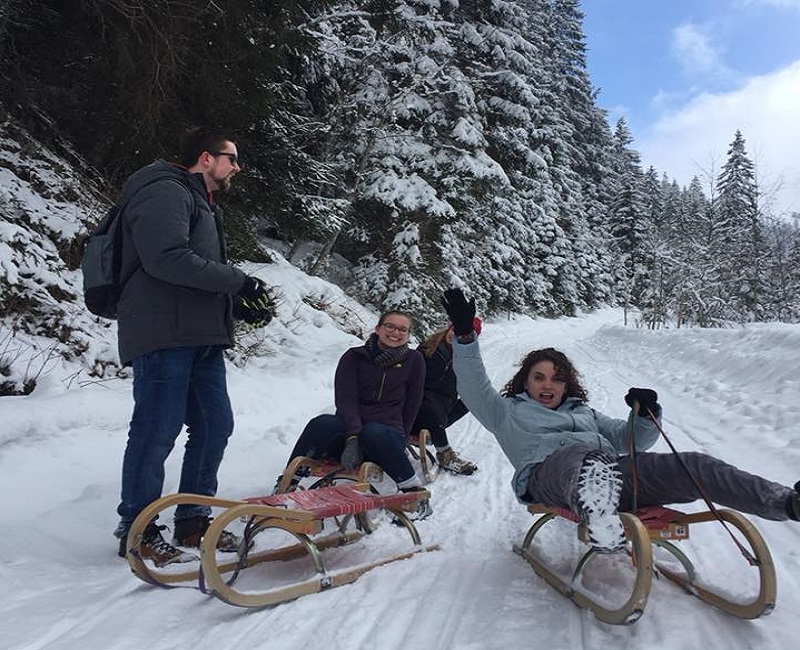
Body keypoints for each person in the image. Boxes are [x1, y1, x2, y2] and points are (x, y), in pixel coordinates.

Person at [441, 288, 800, 551]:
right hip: (548, 477)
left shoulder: (584, 413)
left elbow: (633, 441)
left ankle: (784, 502)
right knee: (577, 458)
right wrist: (464, 335)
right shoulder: (506, 411)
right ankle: (602, 525)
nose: (548, 385)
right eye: (539, 377)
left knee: (693, 464)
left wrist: (644, 414)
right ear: (526, 381)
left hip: (609, 476)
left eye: (556, 378)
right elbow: (471, 383)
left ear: (567, 384)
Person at [112, 126, 276, 566]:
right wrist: (239, 281)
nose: (236, 167)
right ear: (207, 158)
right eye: (232, 158)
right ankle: (139, 529)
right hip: (163, 333)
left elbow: (195, 274)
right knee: (156, 429)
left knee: (215, 426)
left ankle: (192, 520)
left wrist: (239, 305)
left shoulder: (202, 202)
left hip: (200, 335)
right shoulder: (164, 190)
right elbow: (165, 258)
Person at [284, 310, 431, 519]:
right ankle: (287, 485)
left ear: (408, 335)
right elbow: (345, 400)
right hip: (350, 432)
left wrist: (400, 436)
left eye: (402, 329)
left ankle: (414, 492)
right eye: (390, 326)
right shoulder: (354, 357)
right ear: (378, 328)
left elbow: (413, 403)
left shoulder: (414, 360)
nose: (395, 333)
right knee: (322, 423)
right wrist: (352, 437)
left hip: (383, 436)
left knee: (374, 432)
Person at [410, 322, 480, 475]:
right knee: (426, 403)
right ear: (449, 328)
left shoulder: (466, 362)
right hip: (417, 407)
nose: (455, 336)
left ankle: (437, 428)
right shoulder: (427, 348)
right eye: (454, 330)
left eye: (463, 335)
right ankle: (445, 453)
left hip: (442, 408)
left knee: (472, 400)